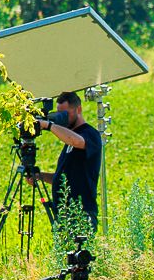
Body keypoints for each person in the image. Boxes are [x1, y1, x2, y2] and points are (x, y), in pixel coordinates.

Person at [35, 91, 103, 239]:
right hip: (63, 214)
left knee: (80, 253)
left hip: (81, 213)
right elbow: (62, 179)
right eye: (59, 113)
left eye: (65, 113)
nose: (62, 118)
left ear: (79, 109)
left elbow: (77, 141)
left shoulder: (90, 134)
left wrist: (49, 125)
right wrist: (39, 176)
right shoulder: (68, 142)